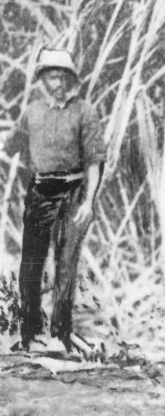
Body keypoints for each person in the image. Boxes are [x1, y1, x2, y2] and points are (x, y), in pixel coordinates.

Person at [4, 48, 106, 352]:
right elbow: (11, 146)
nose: (57, 82)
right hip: (39, 194)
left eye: (62, 76)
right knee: (31, 263)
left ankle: (61, 336)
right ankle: (31, 334)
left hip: (73, 194)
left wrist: (88, 202)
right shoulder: (32, 112)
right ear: (41, 79)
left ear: (71, 79)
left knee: (65, 263)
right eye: (51, 75)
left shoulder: (84, 112)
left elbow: (94, 162)